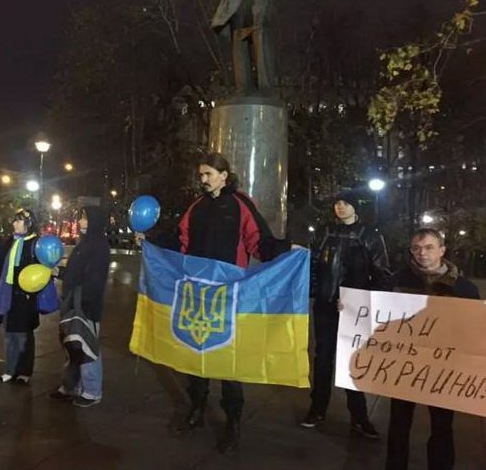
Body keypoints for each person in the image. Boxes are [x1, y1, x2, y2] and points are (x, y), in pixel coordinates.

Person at [143, 152, 289, 454]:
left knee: (228, 357)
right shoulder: (196, 208)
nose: (203, 179)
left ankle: (233, 421)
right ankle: (196, 408)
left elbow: (258, 242)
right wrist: (151, 238)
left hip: (228, 293)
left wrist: (287, 249)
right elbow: (180, 241)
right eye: (201, 174)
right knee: (195, 353)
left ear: (224, 175)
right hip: (197, 292)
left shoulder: (240, 204)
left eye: (208, 174)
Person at [385, 228, 480, 470]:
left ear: (442, 250)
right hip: (404, 365)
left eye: (428, 247)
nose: (422, 253)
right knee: (398, 423)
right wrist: (349, 307)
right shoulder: (396, 281)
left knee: (442, 426)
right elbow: (375, 313)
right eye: (416, 248)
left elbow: (475, 329)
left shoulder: (464, 288)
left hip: (443, 369)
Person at [301, 190, 391, 438]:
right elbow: (313, 266)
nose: (340, 207)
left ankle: (359, 417)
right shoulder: (324, 232)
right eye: (337, 202)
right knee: (322, 358)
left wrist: (360, 300)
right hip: (325, 307)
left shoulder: (369, 235)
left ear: (356, 207)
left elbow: (382, 274)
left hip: (354, 311)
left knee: (353, 361)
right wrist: (314, 293)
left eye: (345, 203)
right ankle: (317, 409)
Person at [49, 205, 110, 407]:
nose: (81, 222)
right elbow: (76, 271)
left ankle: (92, 391)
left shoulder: (99, 245)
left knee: (87, 347)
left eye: (85, 218)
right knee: (73, 346)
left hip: (85, 304)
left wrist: (87, 304)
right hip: (73, 302)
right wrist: (60, 272)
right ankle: (70, 386)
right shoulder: (85, 244)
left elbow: (94, 278)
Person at [0, 208, 41, 384]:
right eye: (14, 220)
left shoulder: (36, 244)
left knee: (24, 335)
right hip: (8, 294)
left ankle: (24, 372)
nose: (14, 223)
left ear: (29, 224)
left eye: (18, 221)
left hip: (26, 296)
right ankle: (10, 369)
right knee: (10, 333)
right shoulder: (10, 242)